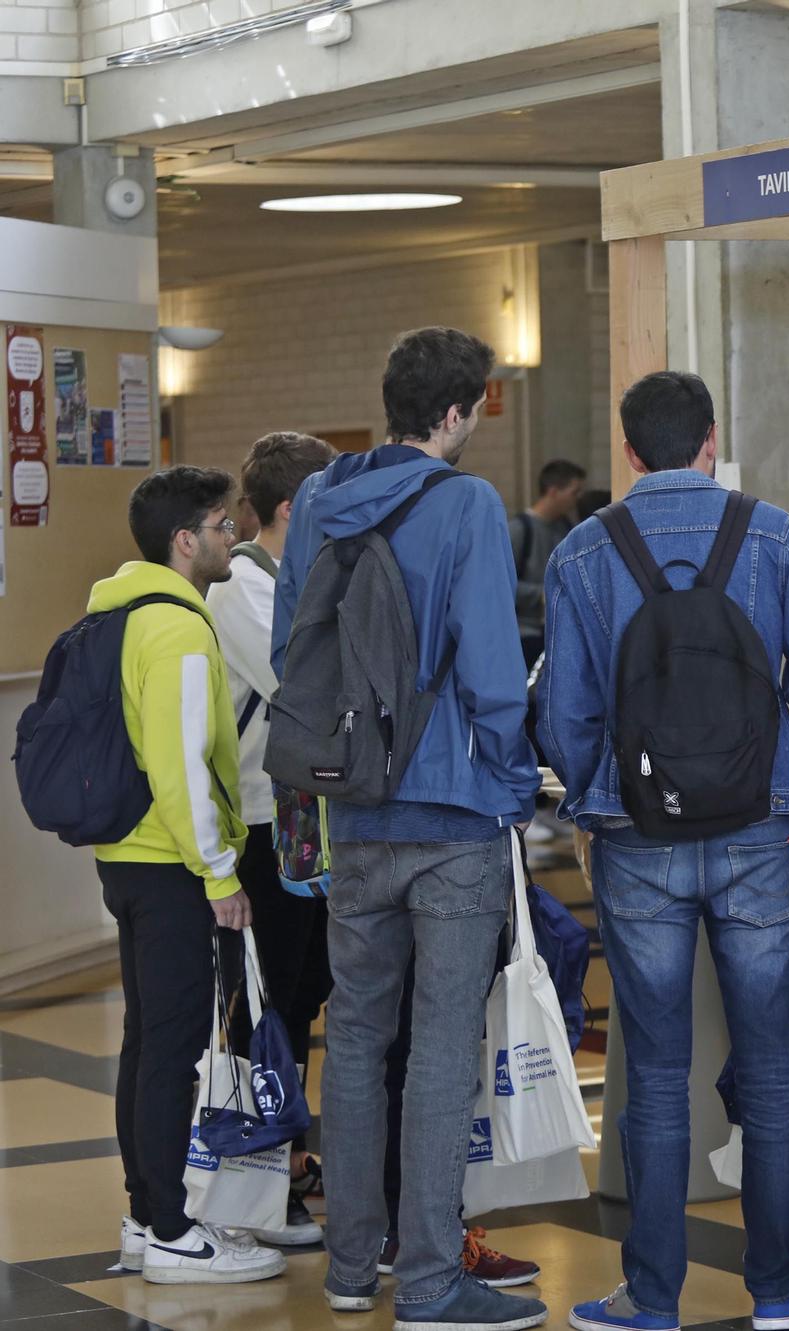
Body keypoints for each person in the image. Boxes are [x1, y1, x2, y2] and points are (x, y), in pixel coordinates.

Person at [541, 369, 789, 1331]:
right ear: (712, 439)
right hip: (760, 830)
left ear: (629, 451)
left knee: (659, 1072)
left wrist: (599, 804)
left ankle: (651, 1295)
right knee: (770, 1062)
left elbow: (564, 712)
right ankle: (779, 1288)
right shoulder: (775, 533)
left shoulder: (585, 551)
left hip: (638, 840)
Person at [273, 327, 546, 1331]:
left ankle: (351, 1267)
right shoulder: (466, 502)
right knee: (438, 1047)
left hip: (354, 809)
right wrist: (517, 782)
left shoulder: (319, 504)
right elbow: (486, 671)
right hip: (455, 815)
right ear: (456, 410)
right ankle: (429, 1279)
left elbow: (288, 648)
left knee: (351, 1037)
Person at [93, 465, 284, 1286]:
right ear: (185, 540)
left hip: (128, 855)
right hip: (171, 861)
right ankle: (171, 1226)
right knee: (169, 1046)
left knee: (147, 1041)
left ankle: (145, 1215)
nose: (231, 535)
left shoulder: (121, 608)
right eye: (219, 524)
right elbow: (180, 767)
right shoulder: (174, 627)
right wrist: (218, 874)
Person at [206, 430, 336, 1248]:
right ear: (293, 508)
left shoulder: (295, 577)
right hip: (261, 822)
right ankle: (258, 1180)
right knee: (267, 1004)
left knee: (307, 989)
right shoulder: (245, 590)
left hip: (305, 821)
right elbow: (305, 682)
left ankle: (286, 1150)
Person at [512, 458, 587, 668]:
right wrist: (541, 594)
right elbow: (498, 585)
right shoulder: (519, 530)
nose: (577, 499)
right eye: (574, 492)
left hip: (558, 632)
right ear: (553, 491)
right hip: (526, 634)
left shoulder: (567, 528)